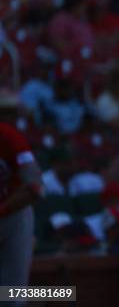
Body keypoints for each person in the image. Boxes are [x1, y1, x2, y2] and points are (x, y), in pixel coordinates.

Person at [0, 93, 44, 298]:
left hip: (13, 214)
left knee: (13, 293)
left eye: (13, 113)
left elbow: (35, 187)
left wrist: (2, 210)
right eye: (6, 113)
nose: (11, 118)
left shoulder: (9, 136)